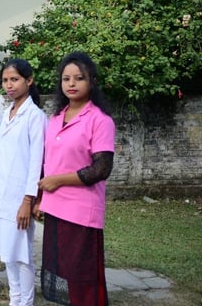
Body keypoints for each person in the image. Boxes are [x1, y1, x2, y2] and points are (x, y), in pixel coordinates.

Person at [35, 51, 115, 306]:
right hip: (55, 206)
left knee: (83, 273)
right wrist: (40, 198)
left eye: (79, 78)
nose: (71, 83)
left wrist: (58, 180)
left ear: (92, 81)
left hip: (81, 209)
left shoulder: (100, 120)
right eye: (66, 78)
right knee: (63, 268)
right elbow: (48, 162)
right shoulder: (56, 118)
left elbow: (101, 169)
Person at [0, 59, 46, 306]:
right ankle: (15, 299)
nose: (9, 85)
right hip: (0, 193)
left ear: (29, 81)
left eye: (15, 79)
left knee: (21, 255)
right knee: (7, 252)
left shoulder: (35, 116)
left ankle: (26, 302)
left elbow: (36, 162)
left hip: (19, 197)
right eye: (5, 80)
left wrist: (28, 200)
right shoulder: (6, 114)